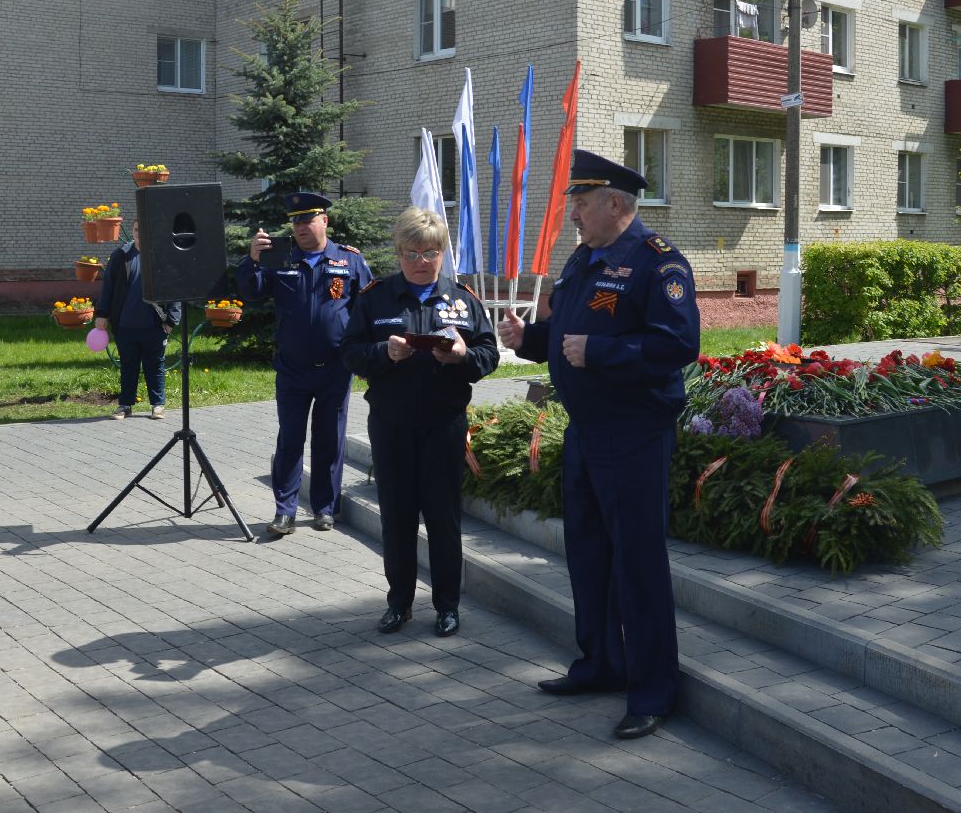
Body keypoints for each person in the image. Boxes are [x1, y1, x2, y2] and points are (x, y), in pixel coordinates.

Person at [497, 149, 699, 741]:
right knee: (588, 555)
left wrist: (602, 354)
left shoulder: (657, 263)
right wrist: (530, 338)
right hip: (586, 431)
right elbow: (570, 334)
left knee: (638, 564)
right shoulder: (586, 258)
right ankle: (600, 664)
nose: (574, 216)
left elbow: (676, 346)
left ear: (617, 204)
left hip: (635, 434)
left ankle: (654, 691)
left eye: (581, 204)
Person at [342, 207, 499, 638]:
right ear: (399, 252)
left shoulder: (463, 299)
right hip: (392, 424)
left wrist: (464, 356)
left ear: (442, 254)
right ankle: (399, 603)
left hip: (444, 423)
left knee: (443, 517)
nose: (421, 262)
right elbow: (350, 351)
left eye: (430, 253)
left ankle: (447, 605)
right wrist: (383, 354)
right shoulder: (376, 297)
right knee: (397, 516)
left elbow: (490, 356)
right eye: (412, 253)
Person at [237, 191, 372, 536]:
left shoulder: (349, 260)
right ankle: (285, 510)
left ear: (324, 221)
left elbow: (368, 310)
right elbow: (251, 291)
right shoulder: (279, 258)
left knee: (329, 439)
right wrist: (252, 259)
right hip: (292, 368)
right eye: (295, 221)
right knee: (290, 439)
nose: (299, 227)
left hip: (335, 368)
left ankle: (326, 508)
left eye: (307, 219)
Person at [94, 218, 181, 420]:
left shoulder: (161, 256)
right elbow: (108, 287)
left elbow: (174, 289)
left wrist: (171, 321)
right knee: (128, 366)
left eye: (143, 230)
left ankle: (157, 405)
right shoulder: (121, 256)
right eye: (135, 230)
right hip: (125, 324)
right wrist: (102, 314)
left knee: (155, 365)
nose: (138, 234)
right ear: (132, 231)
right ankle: (125, 405)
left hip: (154, 324)